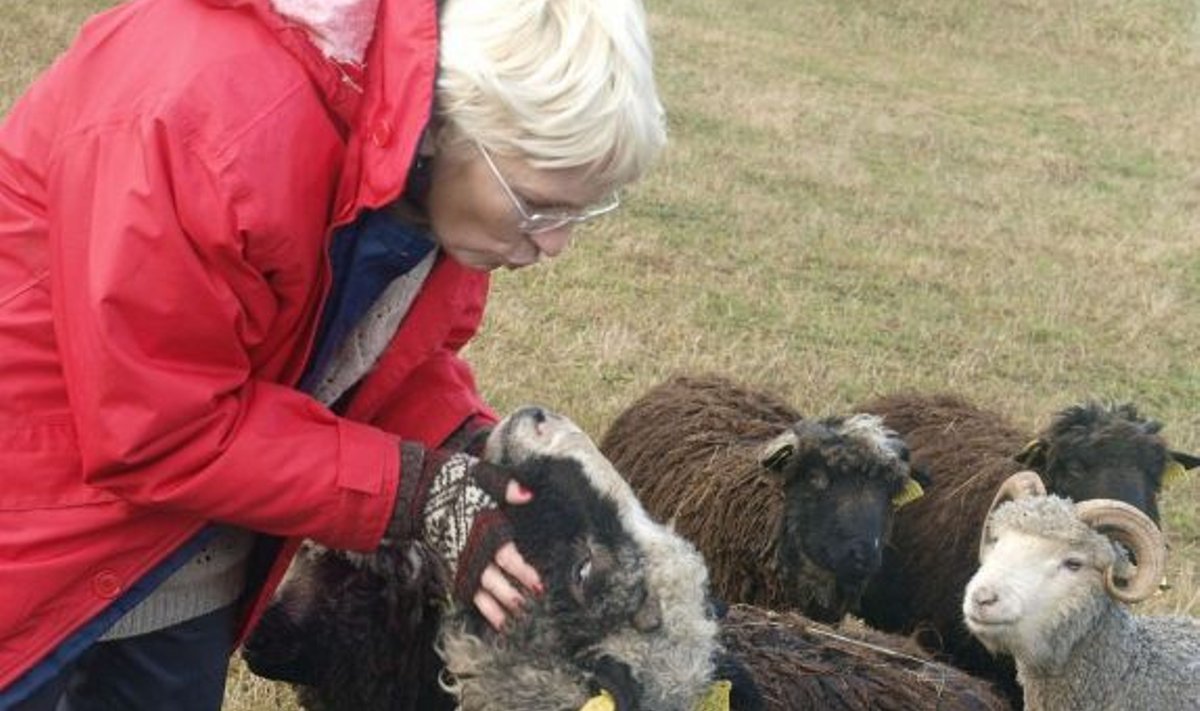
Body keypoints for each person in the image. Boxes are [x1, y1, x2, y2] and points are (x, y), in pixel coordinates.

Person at [0, 0, 666, 707]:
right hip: (34, 530)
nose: (555, 243)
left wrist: (472, 450)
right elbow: (158, 425)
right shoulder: (209, 121)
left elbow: (354, 355)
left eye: (580, 213)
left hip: (179, 559)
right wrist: (415, 489)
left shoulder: (423, 188)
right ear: (448, 122)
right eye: (539, 203)